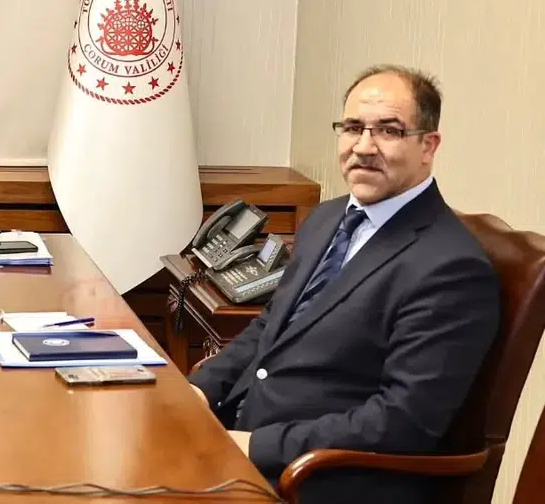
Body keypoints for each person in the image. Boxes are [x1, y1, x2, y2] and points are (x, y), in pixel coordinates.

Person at [188, 66, 499, 504]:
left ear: (428, 146)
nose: (364, 147)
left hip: (318, 478)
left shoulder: (451, 267)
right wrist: (198, 391)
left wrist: (256, 445)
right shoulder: (327, 218)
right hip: (239, 438)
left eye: (389, 131)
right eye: (353, 128)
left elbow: (403, 421)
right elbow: (269, 327)